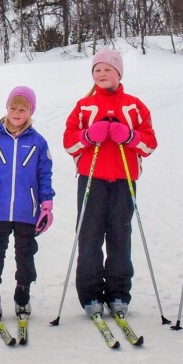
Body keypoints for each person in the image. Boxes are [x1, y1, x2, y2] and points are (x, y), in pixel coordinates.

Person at [63, 50, 157, 318]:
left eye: (107, 69)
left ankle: (118, 292)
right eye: (97, 70)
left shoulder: (134, 105)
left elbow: (149, 144)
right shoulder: (84, 105)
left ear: (119, 73)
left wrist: (128, 135)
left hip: (124, 180)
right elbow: (70, 143)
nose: (102, 74)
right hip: (92, 179)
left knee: (120, 235)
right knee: (90, 236)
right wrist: (89, 135)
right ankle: (91, 293)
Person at [0, 86, 54, 320]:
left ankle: (22, 296)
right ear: (6, 108)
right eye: (13, 108)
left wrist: (46, 206)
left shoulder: (38, 142)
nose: (17, 113)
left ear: (30, 111)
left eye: (23, 109)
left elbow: (44, 176)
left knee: (25, 254)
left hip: (26, 211)